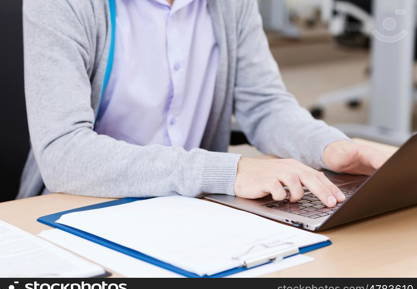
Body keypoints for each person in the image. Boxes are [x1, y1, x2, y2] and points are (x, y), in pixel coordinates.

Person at [19, 0, 393, 208]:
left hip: (198, 207)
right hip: (82, 206)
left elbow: (264, 105)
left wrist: (330, 147)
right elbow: (63, 153)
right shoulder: (63, 4)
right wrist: (226, 171)